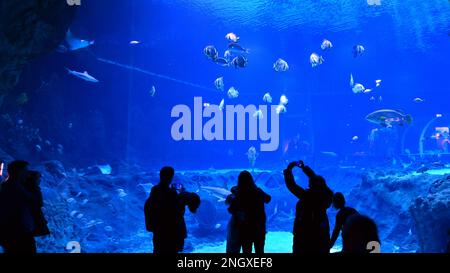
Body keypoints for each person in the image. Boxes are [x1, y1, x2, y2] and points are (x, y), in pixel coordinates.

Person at [144, 166, 200, 254]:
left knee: (158, 249)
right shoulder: (171, 193)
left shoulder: (155, 191)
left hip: (158, 232)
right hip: (171, 233)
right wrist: (178, 194)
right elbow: (177, 213)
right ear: (171, 177)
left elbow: (148, 207)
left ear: (160, 175)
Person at [284, 160, 333, 253]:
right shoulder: (327, 195)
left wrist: (288, 170)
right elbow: (317, 181)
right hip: (322, 234)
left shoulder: (308, 196)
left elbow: (291, 185)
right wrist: (305, 168)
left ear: (311, 185)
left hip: (304, 235)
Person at [226, 171, 271, 254]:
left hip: (245, 229)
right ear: (251, 180)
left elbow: (231, 210)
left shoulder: (238, 195)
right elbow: (268, 199)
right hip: (259, 227)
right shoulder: (257, 191)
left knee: (246, 251)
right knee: (260, 251)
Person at [0, 160, 39, 253]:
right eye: (25, 171)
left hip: (12, 232)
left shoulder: (7, 185)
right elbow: (34, 202)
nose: (27, 174)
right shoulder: (15, 188)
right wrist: (34, 186)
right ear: (18, 172)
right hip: (18, 233)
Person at [23, 171, 50, 237]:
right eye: (38, 178)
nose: (40, 180)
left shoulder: (32, 189)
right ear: (33, 179)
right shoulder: (33, 190)